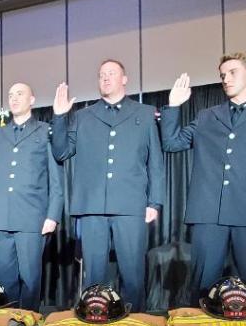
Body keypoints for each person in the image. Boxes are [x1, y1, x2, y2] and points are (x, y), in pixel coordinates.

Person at [160, 52, 246, 300]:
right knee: (203, 287)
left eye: (233, 73)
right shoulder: (207, 116)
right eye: (223, 75)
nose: (226, 79)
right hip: (208, 212)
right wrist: (174, 106)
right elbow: (172, 143)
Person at [51, 59, 165, 310]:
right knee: (93, 277)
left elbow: (155, 162)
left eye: (111, 73)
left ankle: (136, 325)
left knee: (133, 274)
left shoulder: (145, 113)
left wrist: (154, 202)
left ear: (124, 79)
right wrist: (59, 117)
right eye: (101, 74)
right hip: (92, 206)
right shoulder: (82, 116)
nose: (105, 77)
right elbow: (61, 152)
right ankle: (95, 320)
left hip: (130, 204)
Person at [0, 83, 63, 311]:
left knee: (31, 279)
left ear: (32, 99)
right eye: (10, 95)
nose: (14, 98)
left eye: (20, 94)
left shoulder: (45, 131)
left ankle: (29, 323)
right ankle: (8, 322)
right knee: (4, 280)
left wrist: (53, 215)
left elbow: (56, 178)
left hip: (32, 217)